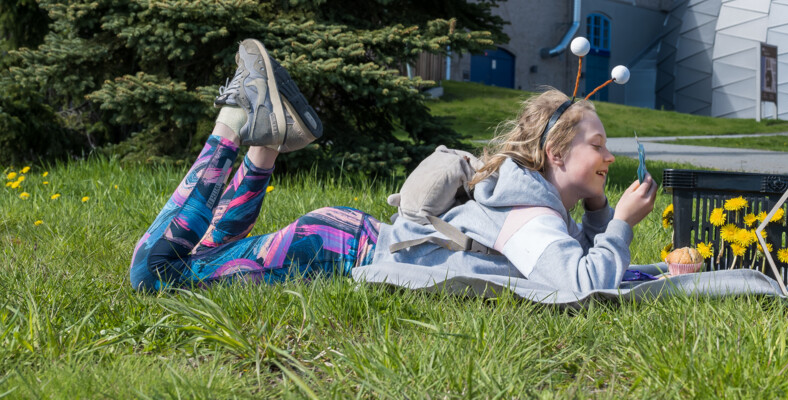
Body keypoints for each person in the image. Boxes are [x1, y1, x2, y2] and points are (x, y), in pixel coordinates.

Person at [130, 39, 657, 292]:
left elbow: (573, 261)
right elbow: (585, 286)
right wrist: (619, 224)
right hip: (331, 251)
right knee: (152, 276)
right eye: (598, 146)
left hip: (338, 241)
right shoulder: (531, 214)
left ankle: (265, 144)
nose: (609, 157)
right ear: (557, 154)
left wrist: (596, 211)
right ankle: (231, 126)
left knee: (202, 257)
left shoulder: (532, 204)